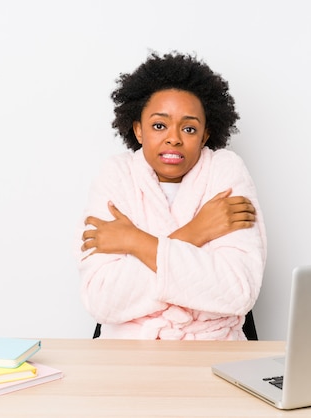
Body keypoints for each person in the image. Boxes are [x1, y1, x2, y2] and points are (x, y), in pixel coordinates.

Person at [77, 52, 267, 340]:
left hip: (215, 350)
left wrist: (134, 241)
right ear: (138, 129)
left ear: (204, 136)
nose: (174, 138)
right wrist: (197, 231)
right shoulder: (116, 176)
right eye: (159, 125)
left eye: (189, 128)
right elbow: (102, 299)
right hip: (127, 356)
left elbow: (238, 290)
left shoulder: (225, 172)